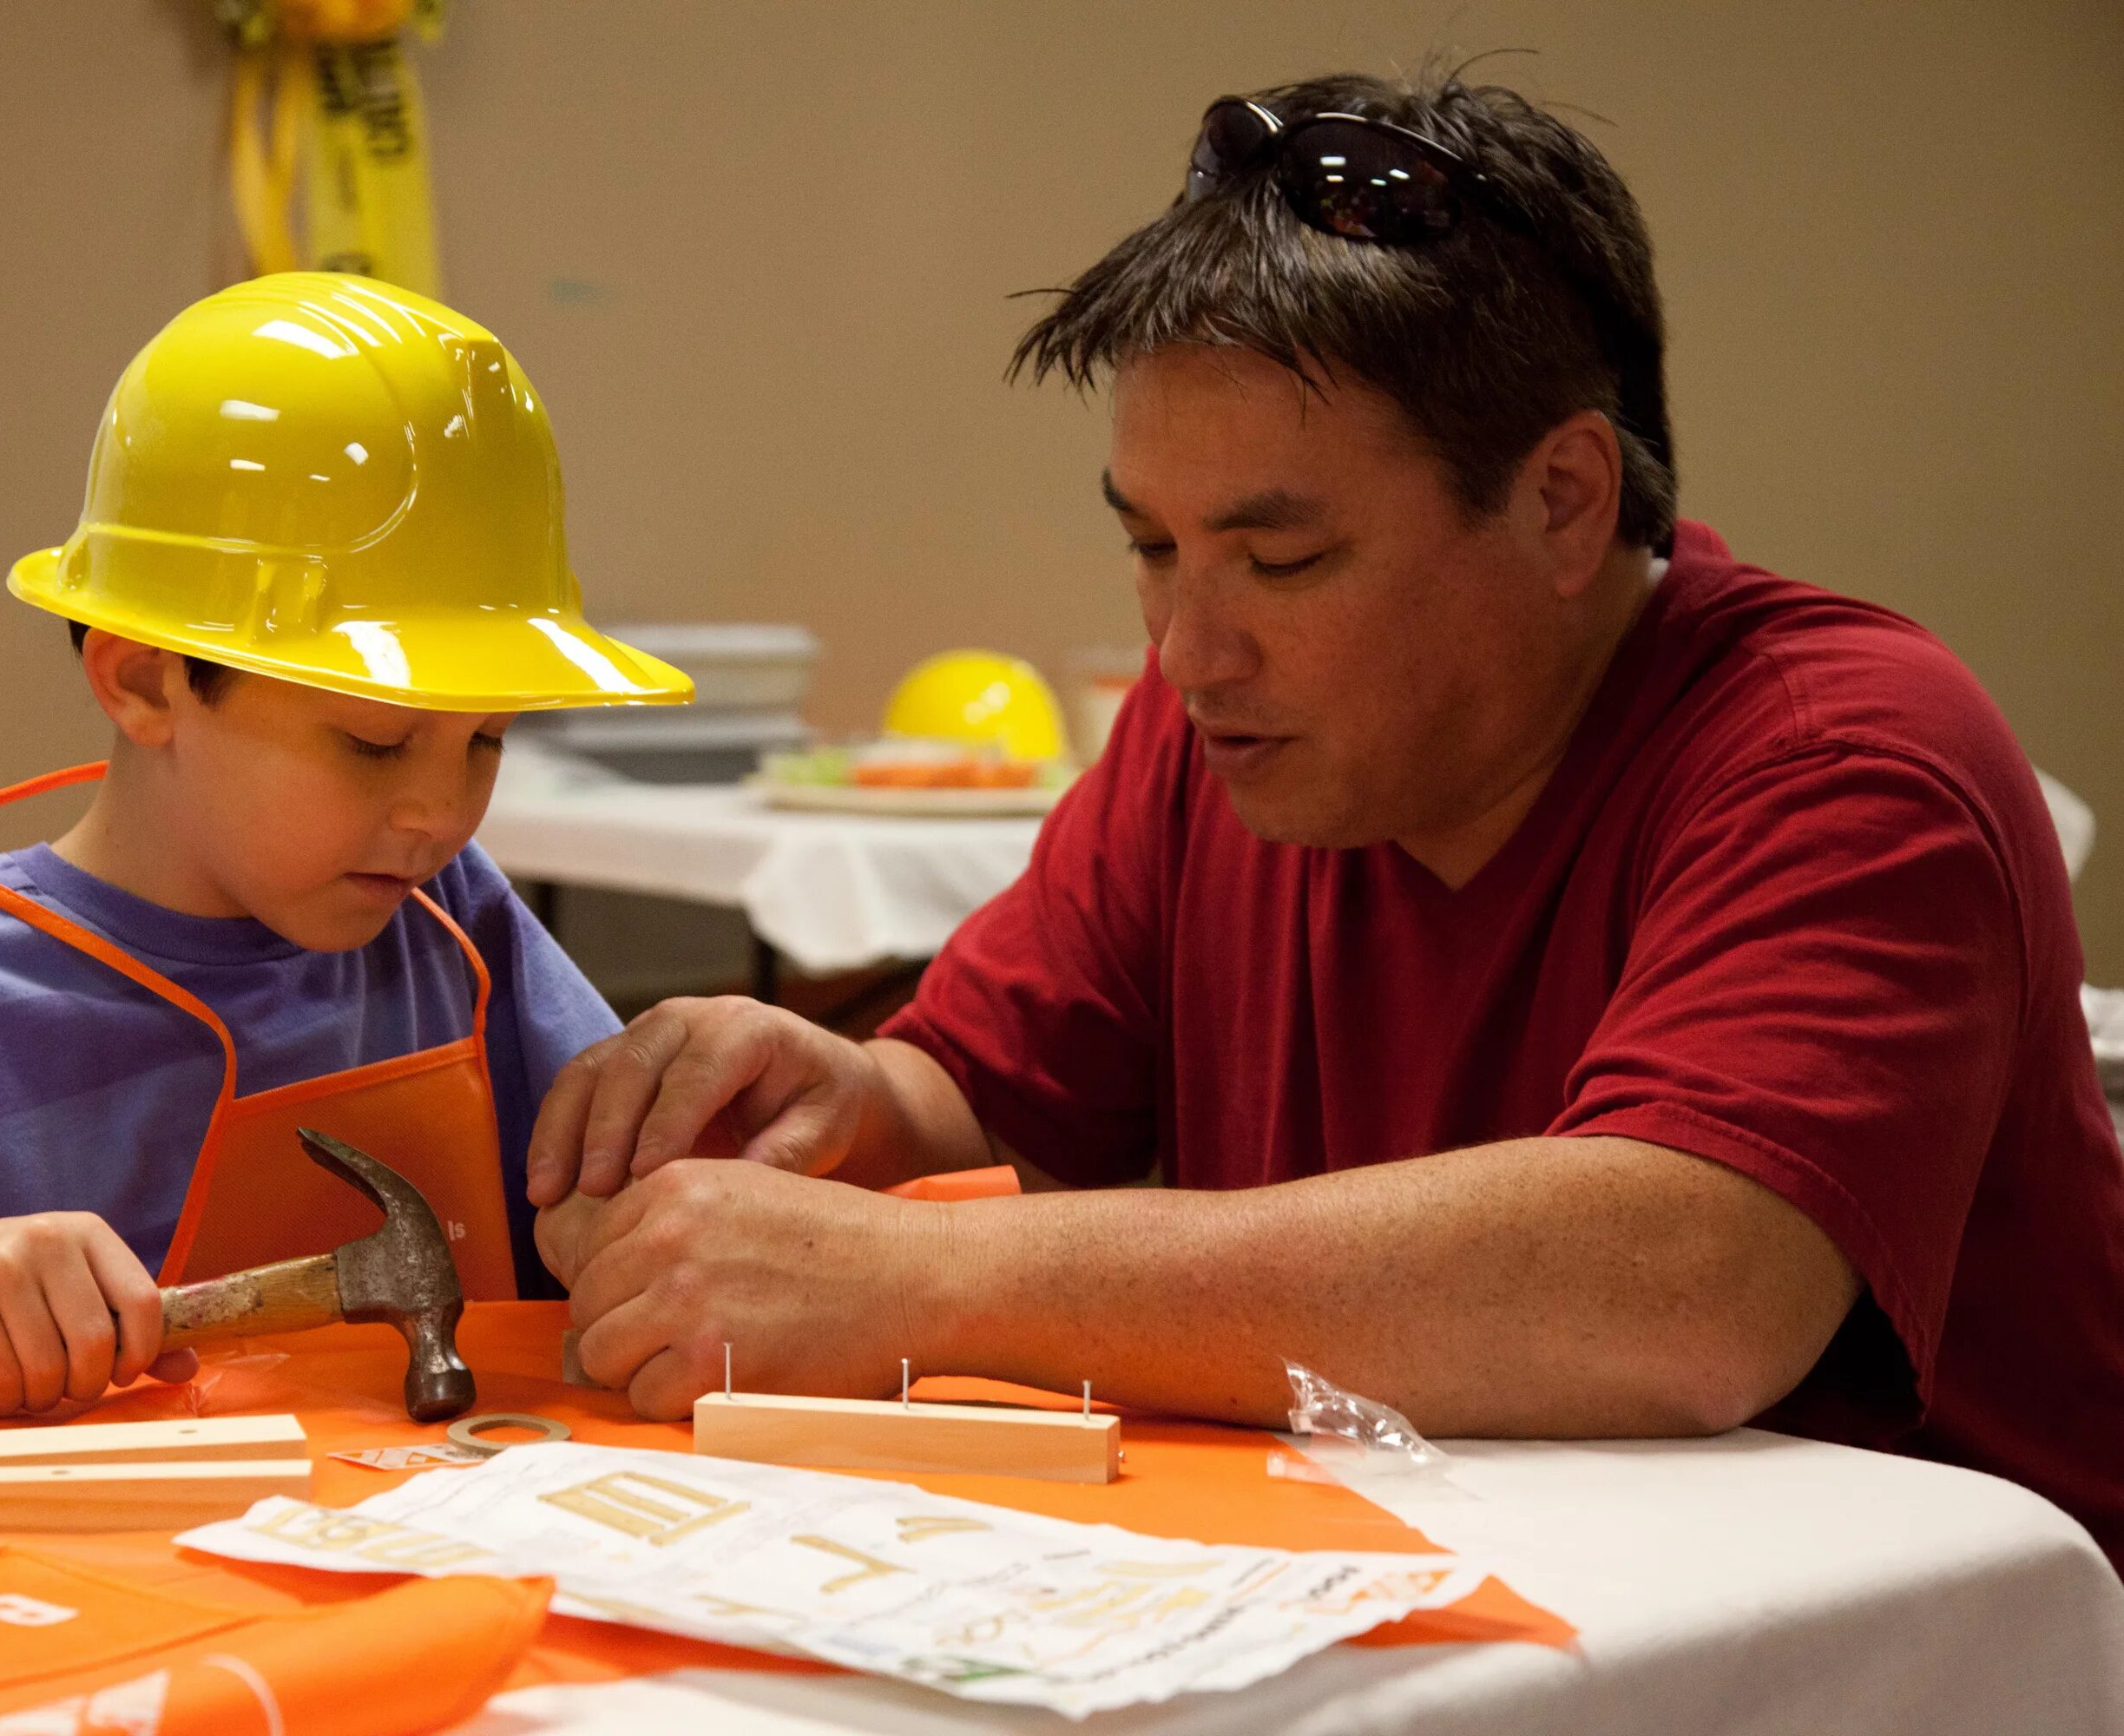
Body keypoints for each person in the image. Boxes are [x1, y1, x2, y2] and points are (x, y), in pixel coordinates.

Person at [528, 74, 2124, 1568]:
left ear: (1564, 500)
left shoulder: (1848, 754)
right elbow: (993, 1095)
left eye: (1279, 563)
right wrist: (836, 1106)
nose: (1187, 650)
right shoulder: (1213, 728)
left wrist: (915, 1283)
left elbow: (1694, 1284)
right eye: (1152, 546)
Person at [0, 273, 692, 1414]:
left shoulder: (454, 931)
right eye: (376, 742)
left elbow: (648, 1219)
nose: (443, 815)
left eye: (485, 741)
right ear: (143, 683)